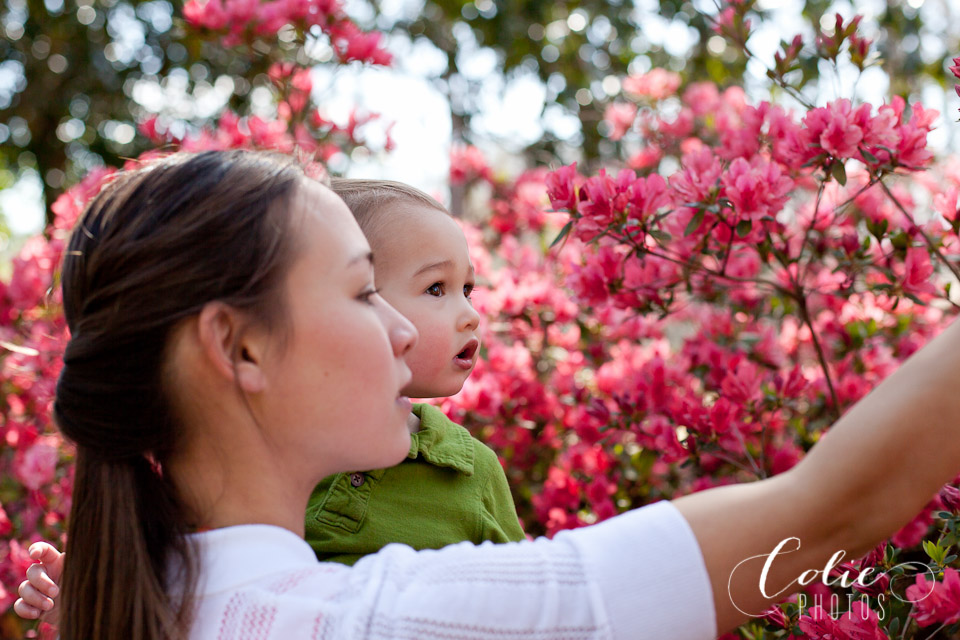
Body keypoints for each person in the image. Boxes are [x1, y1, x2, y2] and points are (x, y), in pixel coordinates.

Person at [14, 149, 960, 640]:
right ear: (242, 346)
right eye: (358, 290)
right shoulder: (388, 620)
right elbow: (834, 509)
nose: (397, 332)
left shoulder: (130, 603)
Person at [306, 178, 525, 564]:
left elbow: (526, 595)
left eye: (468, 289)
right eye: (437, 288)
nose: (471, 316)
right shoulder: (287, 448)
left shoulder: (470, 471)